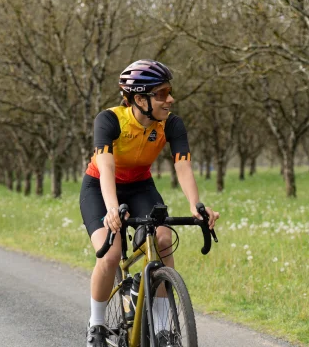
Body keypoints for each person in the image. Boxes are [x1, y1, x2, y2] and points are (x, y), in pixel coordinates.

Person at [79, 59, 219, 347]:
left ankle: (162, 326)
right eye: (162, 93)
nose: (170, 99)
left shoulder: (171, 124)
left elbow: (183, 166)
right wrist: (110, 210)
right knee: (110, 253)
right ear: (140, 98)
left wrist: (196, 205)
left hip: (140, 186)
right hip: (100, 187)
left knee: (164, 239)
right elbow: (105, 169)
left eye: (169, 91)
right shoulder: (109, 120)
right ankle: (97, 325)